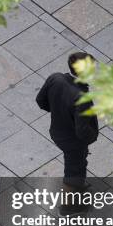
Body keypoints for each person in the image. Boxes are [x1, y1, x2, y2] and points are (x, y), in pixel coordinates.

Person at [36, 52, 99, 216]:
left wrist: (60, 110)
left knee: (78, 165)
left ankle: (77, 189)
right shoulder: (81, 97)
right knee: (74, 170)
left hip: (57, 131)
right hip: (73, 141)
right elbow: (82, 130)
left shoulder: (55, 78)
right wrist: (92, 136)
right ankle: (69, 206)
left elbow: (41, 101)